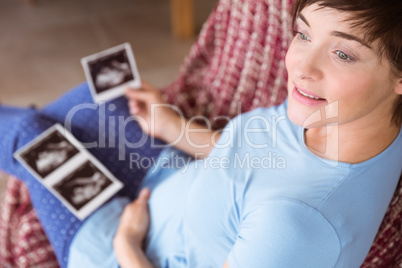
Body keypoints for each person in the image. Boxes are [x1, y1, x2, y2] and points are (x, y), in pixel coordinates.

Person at [66, 0, 402, 267]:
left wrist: (127, 244)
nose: (301, 67)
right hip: (168, 182)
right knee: (89, 100)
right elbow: (254, 161)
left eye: (343, 54)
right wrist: (171, 126)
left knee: (28, 135)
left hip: (132, 245)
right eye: (304, 34)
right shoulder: (342, 116)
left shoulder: (297, 227)